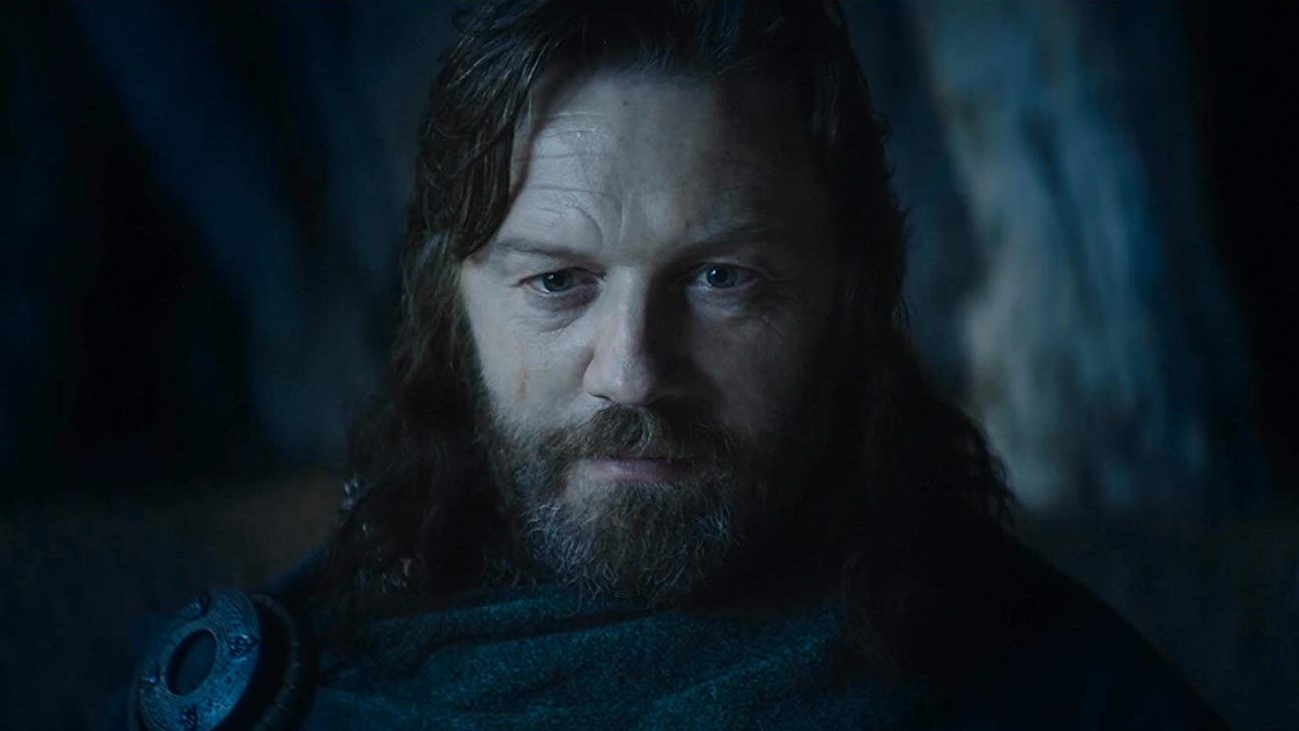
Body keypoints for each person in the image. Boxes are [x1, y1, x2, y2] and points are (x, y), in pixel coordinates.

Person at [122, 2, 1227, 729]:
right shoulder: (286, 671)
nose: (633, 373)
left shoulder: (1051, 693)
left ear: (850, 295)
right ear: (452, 308)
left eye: (721, 279)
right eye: (558, 281)